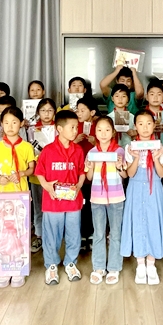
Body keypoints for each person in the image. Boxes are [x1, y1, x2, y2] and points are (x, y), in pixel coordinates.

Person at [35, 110, 86, 285]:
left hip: (73, 201)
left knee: (73, 233)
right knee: (51, 235)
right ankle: (51, 265)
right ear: (59, 129)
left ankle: (71, 262)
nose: (75, 131)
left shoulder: (78, 150)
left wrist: (79, 186)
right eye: (72, 127)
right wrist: (46, 186)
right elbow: (39, 172)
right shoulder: (48, 150)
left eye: (77, 127)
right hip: (53, 201)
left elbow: (82, 172)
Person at [0, 106, 36, 288]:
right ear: (1, 124)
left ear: (21, 124)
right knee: (2, 233)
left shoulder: (27, 147)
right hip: (2, 196)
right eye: (6, 122)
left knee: (20, 232)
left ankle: (17, 269)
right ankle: (3, 270)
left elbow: (31, 169)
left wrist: (22, 173)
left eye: (14, 122)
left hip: (20, 195)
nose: (10, 126)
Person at [120, 110, 163, 285]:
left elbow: (162, 174)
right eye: (140, 124)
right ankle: (140, 264)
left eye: (148, 123)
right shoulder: (130, 147)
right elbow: (130, 174)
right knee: (138, 222)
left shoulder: (160, 147)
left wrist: (156, 159)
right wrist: (135, 158)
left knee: (153, 222)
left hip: (154, 188)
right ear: (135, 126)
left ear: (154, 125)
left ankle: (151, 264)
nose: (145, 127)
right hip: (136, 188)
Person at [85, 117, 128, 285]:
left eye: (107, 130)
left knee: (116, 233)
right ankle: (98, 267)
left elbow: (124, 175)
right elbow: (89, 177)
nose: (103, 134)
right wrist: (90, 166)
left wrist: (119, 166)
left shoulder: (119, 151)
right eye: (99, 130)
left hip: (116, 197)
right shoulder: (92, 152)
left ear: (113, 132)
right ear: (95, 132)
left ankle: (114, 267)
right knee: (99, 233)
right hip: (97, 197)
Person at [28, 98, 57, 254]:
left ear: (55, 112)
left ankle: (53, 236)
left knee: (54, 206)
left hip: (55, 174)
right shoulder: (32, 130)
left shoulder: (58, 129)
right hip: (37, 174)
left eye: (50, 110)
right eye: (43, 110)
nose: (46, 114)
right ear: (38, 113)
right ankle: (39, 236)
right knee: (38, 207)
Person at [74, 97, 98, 251]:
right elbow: (66, 145)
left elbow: (107, 145)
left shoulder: (99, 126)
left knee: (93, 204)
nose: (79, 113)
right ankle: (82, 235)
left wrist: (95, 142)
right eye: (78, 110)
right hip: (78, 172)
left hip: (95, 172)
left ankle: (92, 233)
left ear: (92, 112)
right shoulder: (74, 126)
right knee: (81, 205)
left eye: (83, 110)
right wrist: (75, 140)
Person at [144, 79, 163, 144]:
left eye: (159, 94)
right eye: (152, 94)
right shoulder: (141, 115)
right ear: (147, 97)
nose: (155, 97)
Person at [107, 84, 137, 148]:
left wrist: (135, 133)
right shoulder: (108, 118)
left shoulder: (133, 117)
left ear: (128, 99)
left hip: (129, 148)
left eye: (123, 96)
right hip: (112, 149)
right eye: (117, 96)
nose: (120, 99)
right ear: (112, 98)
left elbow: (136, 138)